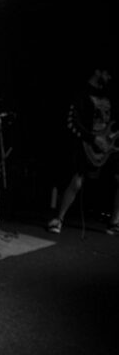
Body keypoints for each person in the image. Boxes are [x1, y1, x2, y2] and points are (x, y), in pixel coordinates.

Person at [47, 66, 119, 235]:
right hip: (88, 145)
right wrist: (92, 138)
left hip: (108, 145)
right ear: (97, 71)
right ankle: (58, 219)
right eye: (107, 73)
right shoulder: (81, 93)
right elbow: (71, 122)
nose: (109, 78)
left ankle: (115, 222)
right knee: (77, 182)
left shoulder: (109, 94)